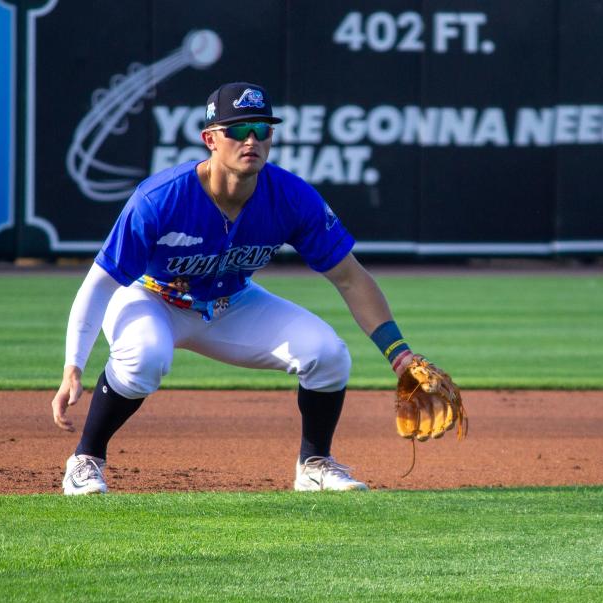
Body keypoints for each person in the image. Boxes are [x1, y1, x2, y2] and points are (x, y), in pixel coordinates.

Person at [52, 82, 414, 495]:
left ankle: (314, 463)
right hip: (151, 297)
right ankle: (86, 458)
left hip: (230, 303)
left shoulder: (291, 197)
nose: (252, 140)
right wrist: (73, 365)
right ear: (210, 139)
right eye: (238, 130)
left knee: (328, 354)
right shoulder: (160, 198)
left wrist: (399, 354)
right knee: (145, 357)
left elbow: (350, 277)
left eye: (262, 129)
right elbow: (99, 283)